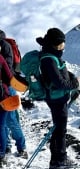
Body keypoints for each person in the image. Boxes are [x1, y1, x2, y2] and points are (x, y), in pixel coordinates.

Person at [36, 28, 79, 169]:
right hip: (57, 99)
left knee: (58, 127)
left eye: (63, 44)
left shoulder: (51, 55)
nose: (62, 48)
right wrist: (74, 84)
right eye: (60, 45)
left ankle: (58, 158)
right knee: (60, 130)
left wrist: (71, 76)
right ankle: (59, 161)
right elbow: (59, 82)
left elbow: (60, 72)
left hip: (58, 98)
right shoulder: (48, 59)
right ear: (54, 44)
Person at [0, 30, 27, 159]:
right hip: (5, 87)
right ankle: (7, 146)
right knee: (3, 121)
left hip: (7, 87)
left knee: (11, 120)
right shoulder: (5, 45)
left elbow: (7, 69)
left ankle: (21, 147)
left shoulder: (5, 46)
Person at [0, 54, 14, 167]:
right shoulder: (1, 57)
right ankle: (1, 153)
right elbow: (10, 78)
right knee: (1, 126)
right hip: (2, 97)